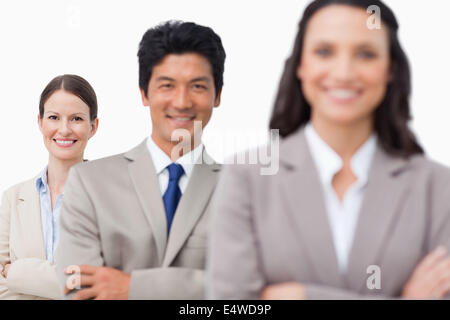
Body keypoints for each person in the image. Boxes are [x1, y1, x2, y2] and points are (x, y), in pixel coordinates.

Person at [208, 0, 450, 299]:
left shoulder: (438, 186)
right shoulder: (247, 176)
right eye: (324, 52)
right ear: (301, 64)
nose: (344, 72)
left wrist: (299, 295)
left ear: (390, 69)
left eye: (366, 54)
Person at [55, 20, 225, 300]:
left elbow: (251, 293)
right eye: (167, 85)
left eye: (197, 86)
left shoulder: (244, 189)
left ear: (217, 95)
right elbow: (76, 289)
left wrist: (132, 287)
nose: (181, 102)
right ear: (144, 93)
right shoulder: (89, 182)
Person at [0, 74, 99, 299]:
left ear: (93, 127)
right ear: (40, 122)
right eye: (54, 117)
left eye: (76, 119)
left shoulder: (112, 197)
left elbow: (98, 284)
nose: (64, 130)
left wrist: (17, 272)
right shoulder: (13, 199)